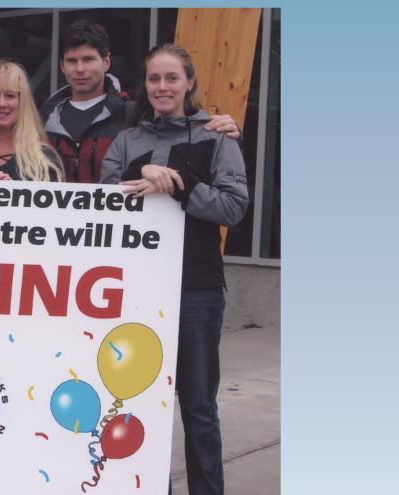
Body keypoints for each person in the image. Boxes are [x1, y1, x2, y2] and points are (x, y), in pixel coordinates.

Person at [100, 43, 249, 495]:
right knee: (145, 402)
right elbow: (104, 199)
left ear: (189, 83)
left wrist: (180, 187)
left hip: (196, 289)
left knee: (199, 406)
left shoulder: (218, 137)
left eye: (171, 78)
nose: (162, 87)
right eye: (153, 79)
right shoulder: (128, 141)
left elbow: (234, 207)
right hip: (137, 292)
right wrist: (145, 174)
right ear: (144, 86)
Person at [41, 19, 240, 184]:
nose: (80, 69)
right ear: (61, 66)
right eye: (72, 61)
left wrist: (232, 134)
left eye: (88, 59)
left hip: (118, 228)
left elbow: (185, 130)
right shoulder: (41, 119)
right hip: (53, 230)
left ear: (106, 62)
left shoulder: (136, 115)